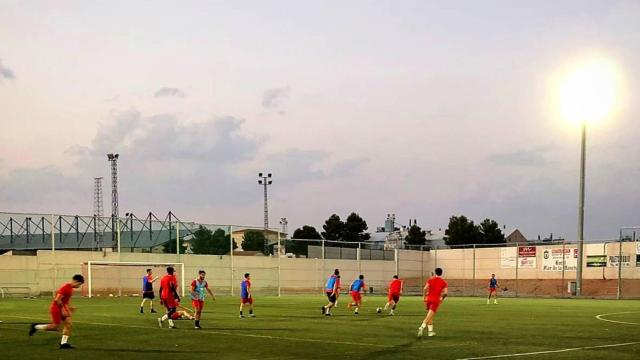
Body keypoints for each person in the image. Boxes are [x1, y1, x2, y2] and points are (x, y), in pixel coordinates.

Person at [29, 274, 85, 349]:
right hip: (56, 309)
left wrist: (70, 307)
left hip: (62, 308)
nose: (79, 286)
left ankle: (63, 343)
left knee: (69, 324)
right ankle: (36, 326)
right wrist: (62, 310)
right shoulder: (65, 288)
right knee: (55, 327)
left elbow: (65, 300)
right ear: (75, 281)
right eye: (79, 284)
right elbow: (57, 299)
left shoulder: (70, 289)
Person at [418, 267, 448, 338]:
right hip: (435, 300)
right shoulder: (444, 282)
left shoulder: (430, 280)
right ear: (441, 273)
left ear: (435, 273)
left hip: (429, 299)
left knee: (430, 315)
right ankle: (422, 327)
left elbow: (425, 288)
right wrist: (442, 299)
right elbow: (445, 293)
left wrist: (424, 297)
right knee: (429, 316)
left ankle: (430, 332)